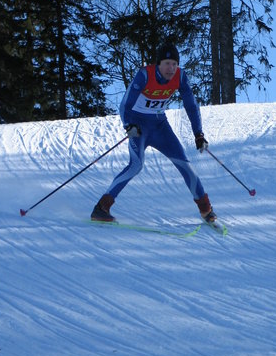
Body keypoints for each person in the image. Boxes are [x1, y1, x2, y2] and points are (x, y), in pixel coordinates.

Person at [91, 43, 217, 224]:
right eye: (167, 64)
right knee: (136, 165)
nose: (171, 68)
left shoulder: (180, 76)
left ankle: (206, 209)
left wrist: (198, 133)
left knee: (185, 165)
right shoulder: (145, 75)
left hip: (160, 126)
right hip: (139, 126)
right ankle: (101, 208)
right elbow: (126, 104)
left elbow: (191, 105)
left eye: (174, 64)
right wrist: (129, 125)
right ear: (158, 64)